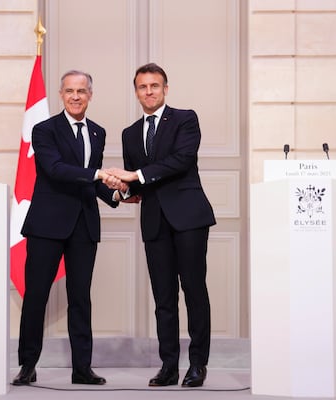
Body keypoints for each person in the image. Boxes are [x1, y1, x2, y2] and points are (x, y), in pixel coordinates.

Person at [13, 70, 125, 386]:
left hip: (83, 226)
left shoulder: (98, 133)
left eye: (82, 91)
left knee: (80, 298)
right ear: (61, 95)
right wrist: (101, 176)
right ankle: (27, 365)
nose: (76, 96)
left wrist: (117, 193)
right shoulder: (44, 130)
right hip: (47, 225)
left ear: (90, 95)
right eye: (70, 91)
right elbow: (56, 170)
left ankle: (82, 369)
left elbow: (90, 178)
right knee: (35, 295)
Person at [108, 63, 216, 387]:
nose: (149, 91)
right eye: (143, 87)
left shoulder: (185, 119)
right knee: (163, 298)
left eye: (155, 86)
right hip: (154, 221)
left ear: (165, 89)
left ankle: (198, 364)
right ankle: (169, 365)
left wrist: (136, 177)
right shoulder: (129, 134)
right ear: (136, 92)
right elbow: (135, 183)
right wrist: (122, 191)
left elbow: (182, 160)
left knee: (194, 292)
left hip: (189, 218)